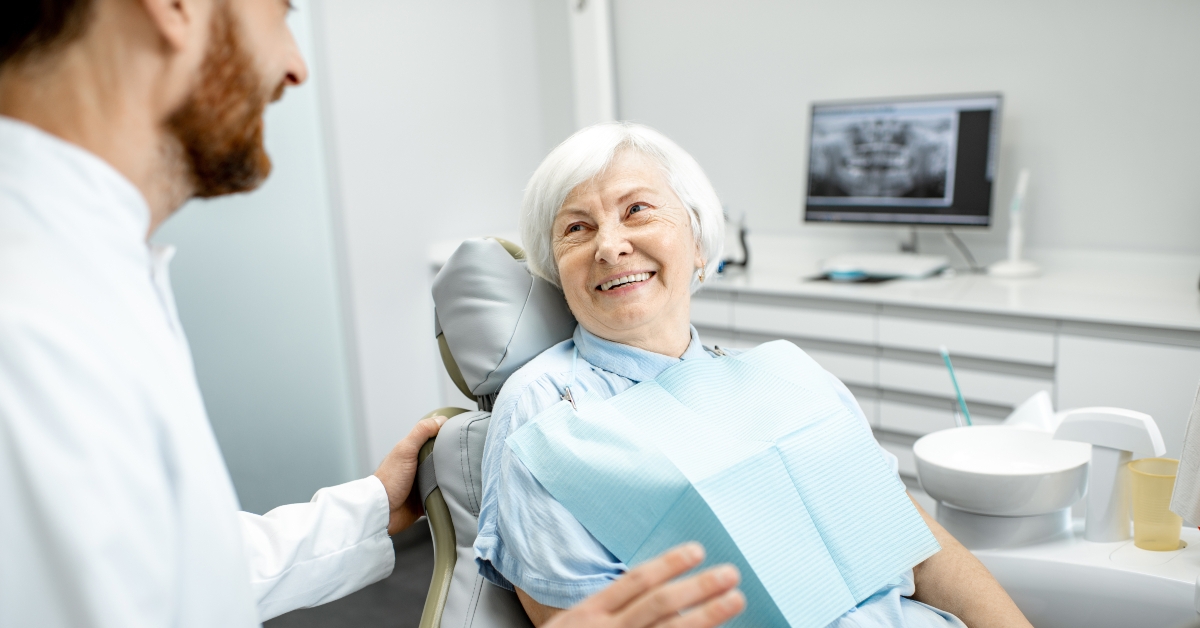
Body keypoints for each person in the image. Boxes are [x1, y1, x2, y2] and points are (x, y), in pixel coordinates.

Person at [0, 2, 745, 627]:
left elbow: (165, 573)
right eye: (281, 11)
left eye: (640, 210)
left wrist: (366, 508)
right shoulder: (35, 317)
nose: (296, 64)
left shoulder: (88, 270)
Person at [475, 121, 1036, 627]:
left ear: (697, 240)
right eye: (577, 228)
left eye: (637, 210)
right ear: (555, 266)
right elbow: (572, 618)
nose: (611, 245)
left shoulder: (785, 373)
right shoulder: (548, 407)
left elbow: (919, 546)